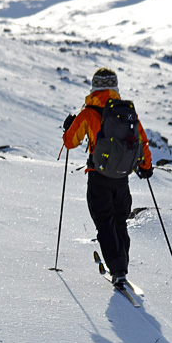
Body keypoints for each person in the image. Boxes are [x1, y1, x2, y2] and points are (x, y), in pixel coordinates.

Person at [62, 67, 153, 286]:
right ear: (115, 87)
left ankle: (118, 269)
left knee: (104, 222)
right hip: (121, 178)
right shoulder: (126, 113)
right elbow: (142, 141)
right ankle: (121, 266)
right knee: (120, 221)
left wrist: (68, 127)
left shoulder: (88, 113)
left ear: (94, 87)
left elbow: (70, 142)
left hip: (98, 176)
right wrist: (146, 166)